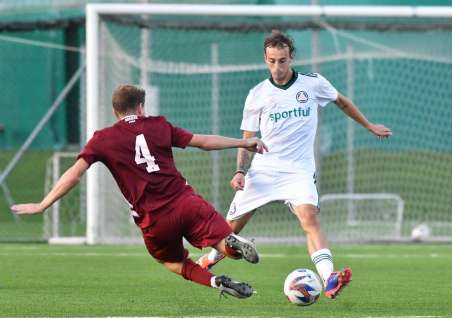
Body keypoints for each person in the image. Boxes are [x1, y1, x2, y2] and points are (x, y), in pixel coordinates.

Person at [11, 84, 269, 299]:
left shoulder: (102, 138)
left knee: (174, 263)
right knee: (223, 244)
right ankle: (232, 243)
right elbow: (202, 142)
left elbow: (74, 175)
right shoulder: (159, 125)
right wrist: (244, 141)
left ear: (115, 112)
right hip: (185, 202)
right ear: (141, 107)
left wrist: (43, 204)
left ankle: (216, 282)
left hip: (154, 220)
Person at [197, 30, 392, 299]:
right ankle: (209, 260)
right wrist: (240, 171)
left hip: (298, 171)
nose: (277, 67)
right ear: (265, 59)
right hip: (264, 171)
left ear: (292, 58)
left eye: (283, 60)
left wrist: (368, 125)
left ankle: (329, 279)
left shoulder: (313, 83)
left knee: (309, 218)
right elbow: (247, 139)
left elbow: (342, 102)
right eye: (272, 61)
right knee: (230, 231)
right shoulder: (257, 95)